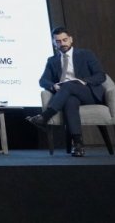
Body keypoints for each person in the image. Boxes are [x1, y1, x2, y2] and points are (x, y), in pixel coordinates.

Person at [26, 26, 106, 157]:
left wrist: (83, 81)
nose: (62, 43)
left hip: (88, 93)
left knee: (68, 85)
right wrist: (53, 86)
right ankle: (78, 145)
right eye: (58, 41)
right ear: (54, 43)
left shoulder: (86, 54)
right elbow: (43, 81)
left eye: (64, 40)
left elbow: (100, 76)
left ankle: (45, 116)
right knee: (70, 101)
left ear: (71, 39)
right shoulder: (52, 60)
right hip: (67, 94)